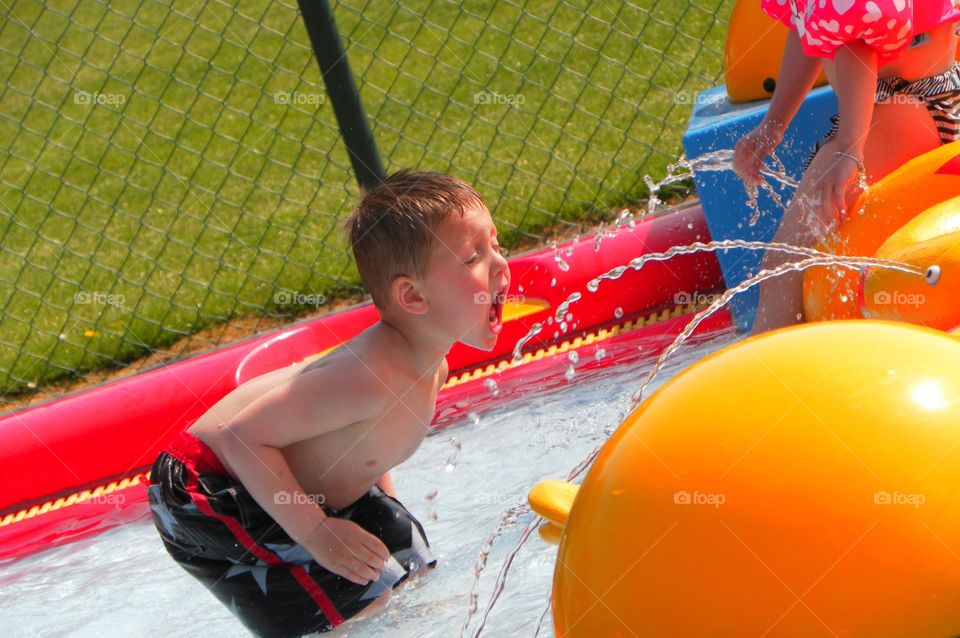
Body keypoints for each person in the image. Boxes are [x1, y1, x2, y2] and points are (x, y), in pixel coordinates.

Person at [147, 170, 511, 637]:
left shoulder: (428, 367)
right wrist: (317, 533)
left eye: (496, 243)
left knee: (408, 560)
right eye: (474, 257)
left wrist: (386, 512)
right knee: (345, 605)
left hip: (285, 481)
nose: (500, 264)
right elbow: (239, 436)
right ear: (413, 296)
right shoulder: (368, 377)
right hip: (205, 489)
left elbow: (364, 444)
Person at [733, 0, 960, 332]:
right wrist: (774, 125)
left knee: (784, 264)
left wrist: (849, 150)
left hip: (903, 107)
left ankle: (764, 373)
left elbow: (856, 42)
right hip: (931, 97)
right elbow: (810, 28)